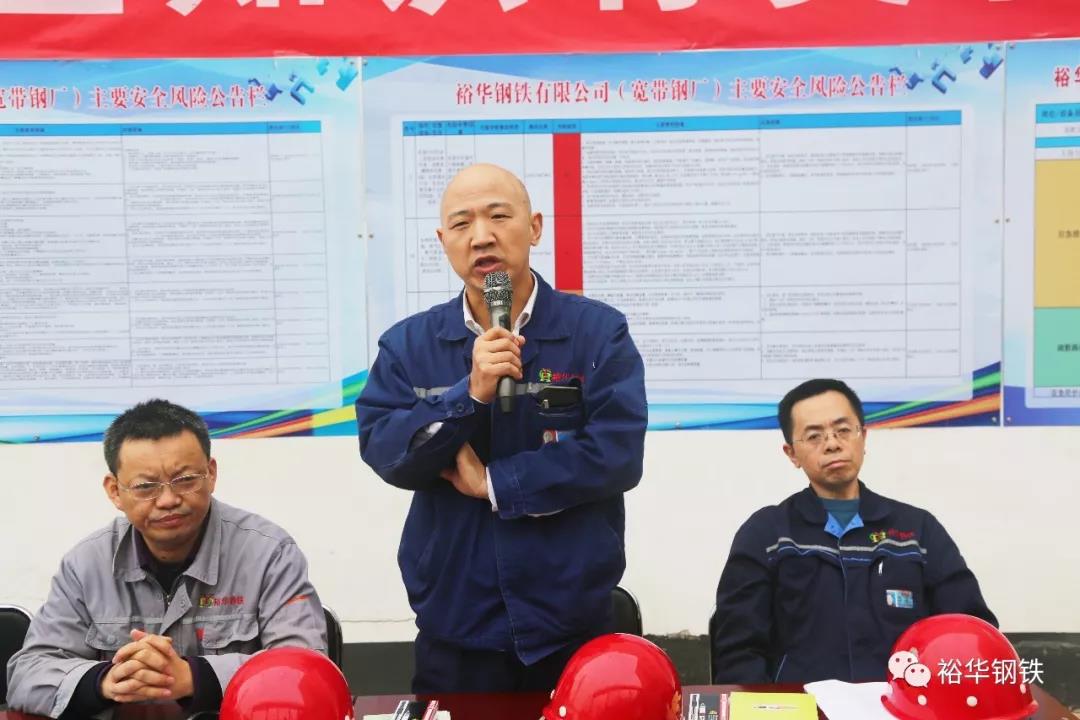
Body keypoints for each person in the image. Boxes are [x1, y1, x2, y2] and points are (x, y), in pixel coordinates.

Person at [356, 163, 647, 692]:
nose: (481, 236)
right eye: (462, 223)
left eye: (498, 216)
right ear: (443, 241)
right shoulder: (408, 346)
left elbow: (617, 451)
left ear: (534, 228)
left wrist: (495, 483)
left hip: (571, 622)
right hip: (457, 628)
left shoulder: (596, 332)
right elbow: (387, 450)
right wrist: (466, 395)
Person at [6, 399, 327, 718]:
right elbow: (27, 673)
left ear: (211, 474)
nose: (168, 500)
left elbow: (304, 667)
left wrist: (194, 677)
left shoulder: (269, 553)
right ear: (115, 491)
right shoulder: (86, 564)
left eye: (185, 480)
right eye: (146, 486)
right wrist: (105, 680)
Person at [710, 378, 996, 683]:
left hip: (899, 704)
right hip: (800, 705)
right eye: (814, 436)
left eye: (843, 430)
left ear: (863, 437)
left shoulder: (918, 531)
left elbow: (970, 633)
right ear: (792, 453)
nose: (832, 444)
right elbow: (737, 650)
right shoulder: (767, 534)